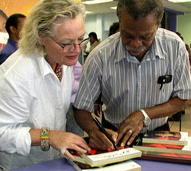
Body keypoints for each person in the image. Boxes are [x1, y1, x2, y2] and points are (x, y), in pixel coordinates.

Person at [73, 0, 191, 151]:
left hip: (159, 134)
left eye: (145, 37)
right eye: (127, 35)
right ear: (120, 21)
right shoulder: (100, 56)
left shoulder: (174, 47)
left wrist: (144, 115)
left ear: (157, 25)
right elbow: (80, 108)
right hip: (114, 136)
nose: (135, 44)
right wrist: (93, 131)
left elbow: (183, 98)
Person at [0, 0, 90, 170]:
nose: (76, 49)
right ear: (41, 37)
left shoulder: (62, 62)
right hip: (22, 166)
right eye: (66, 43)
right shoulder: (16, 75)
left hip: (53, 161)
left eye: (81, 39)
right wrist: (49, 137)